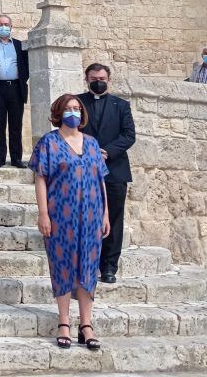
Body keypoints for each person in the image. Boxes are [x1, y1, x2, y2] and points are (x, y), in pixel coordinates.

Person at [30, 93, 111, 351]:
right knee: (63, 266)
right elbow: (40, 178)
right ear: (58, 112)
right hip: (60, 216)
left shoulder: (91, 143)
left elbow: (101, 181)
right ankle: (64, 322)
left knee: (88, 267)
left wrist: (105, 214)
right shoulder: (49, 143)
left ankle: (86, 324)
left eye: (77, 108)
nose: (73, 112)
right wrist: (43, 213)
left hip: (90, 216)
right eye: (68, 108)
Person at [77, 63, 135, 284]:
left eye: (101, 78)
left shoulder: (121, 105)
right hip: (83, 169)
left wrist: (107, 152)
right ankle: (87, 263)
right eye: (93, 78)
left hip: (114, 170)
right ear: (87, 79)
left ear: (109, 80)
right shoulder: (77, 102)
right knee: (85, 217)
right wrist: (87, 151)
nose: (98, 81)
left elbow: (129, 135)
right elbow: (69, 130)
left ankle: (109, 266)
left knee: (114, 218)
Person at [0, 14, 30, 168]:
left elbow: (26, 67)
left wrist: (20, 79)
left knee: (16, 125)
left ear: (11, 26)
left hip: (16, 88)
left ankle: (16, 158)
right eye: (0, 24)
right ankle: (0, 157)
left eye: (6, 24)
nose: (4, 27)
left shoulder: (20, 46)